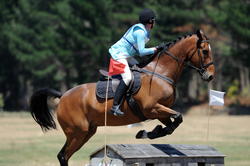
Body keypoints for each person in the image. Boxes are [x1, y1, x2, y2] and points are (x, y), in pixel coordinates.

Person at [108, 8, 165, 116]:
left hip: (126, 55)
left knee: (141, 70)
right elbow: (142, 52)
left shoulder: (143, 30)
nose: (154, 22)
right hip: (119, 54)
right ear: (150, 21)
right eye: (153, 20)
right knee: (127, 77)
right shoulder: (140, 32)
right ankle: (115, 106)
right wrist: (156, 48)